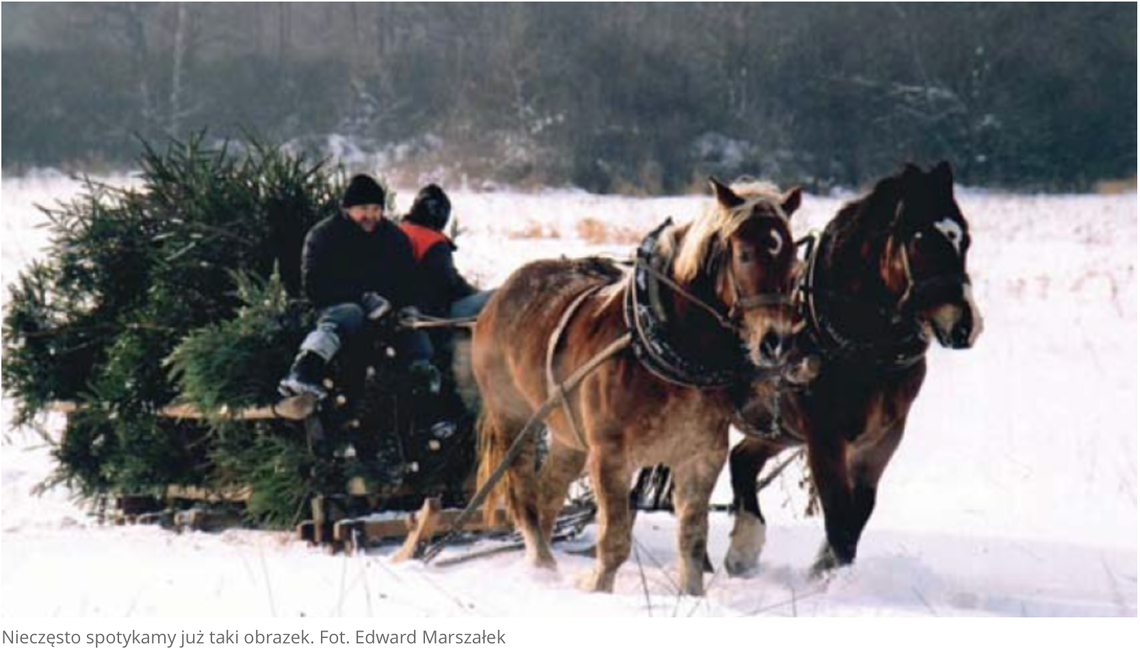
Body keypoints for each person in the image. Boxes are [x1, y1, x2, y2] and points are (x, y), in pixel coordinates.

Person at [279, 174, 440, 401]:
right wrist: (361, 298)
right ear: (348, 208)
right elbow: (314, 285)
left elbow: (410, 281)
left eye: (376, 208)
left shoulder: (394, 238)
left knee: (415, 334)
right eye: (363, 208)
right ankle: (304, 369)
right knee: (349, 313)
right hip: (335, 309)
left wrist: (408, 306)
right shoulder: (324, 235)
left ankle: (428, 398)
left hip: (385, 314)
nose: (370, 215)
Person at [399, 184, 492, 325]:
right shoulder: (432, 243)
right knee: (498, 298)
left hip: (405, 311)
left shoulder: (399, 231)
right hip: (435, 315)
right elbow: (451, 285)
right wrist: (476, 293)